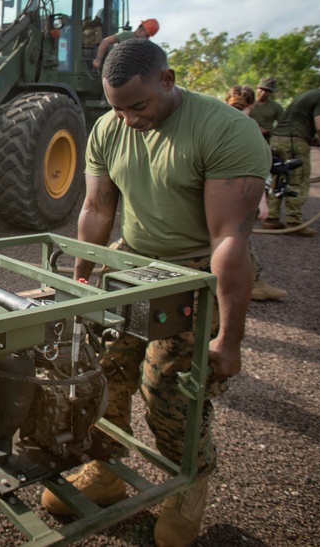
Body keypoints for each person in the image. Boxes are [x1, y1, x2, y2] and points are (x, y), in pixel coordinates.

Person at [40, 39, 270, 547]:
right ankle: (106, 469)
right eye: (116, 107)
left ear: (167, 81)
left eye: (137, 106)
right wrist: (80, 285)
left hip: (193, 270)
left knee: (168, 388)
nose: (126, 119)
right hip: (134, 262)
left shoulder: (227, 130)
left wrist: (229, 340)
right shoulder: (109, 127)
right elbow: (98, 210)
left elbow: (230, 241)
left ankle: (188, 481)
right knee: (100, 369)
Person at [264, 74, 320, 237]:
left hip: (277, 140)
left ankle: (272, 219)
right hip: (294, 143)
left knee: (278, 179)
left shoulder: (306, 95)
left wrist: (314, 140)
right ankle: (294, 223)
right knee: (297, 181)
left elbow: (298, 123)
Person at [225, 85, 289, 301]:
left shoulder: (212, 121)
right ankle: (253, 284)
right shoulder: (248, 127)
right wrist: (261, 201)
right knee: (239, 238)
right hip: (234, 193)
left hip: (209, 191)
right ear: (252, 105)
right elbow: (253, 169)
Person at [92, 18, 160, 70]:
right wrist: (98, 60)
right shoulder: (127, 35)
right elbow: (106, 41)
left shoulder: (142, 44)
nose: (147, 39)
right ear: (140, 30)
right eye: (147, 35)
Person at [248, 77, 283, 143]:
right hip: (246, 136)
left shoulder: (276, 107)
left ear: (271, 93)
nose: (263, 93)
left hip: (266, 140)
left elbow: (283, 125)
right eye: (261, 89)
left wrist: (268, 130)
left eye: (267, 91)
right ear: (257, 89)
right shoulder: (247, 103)